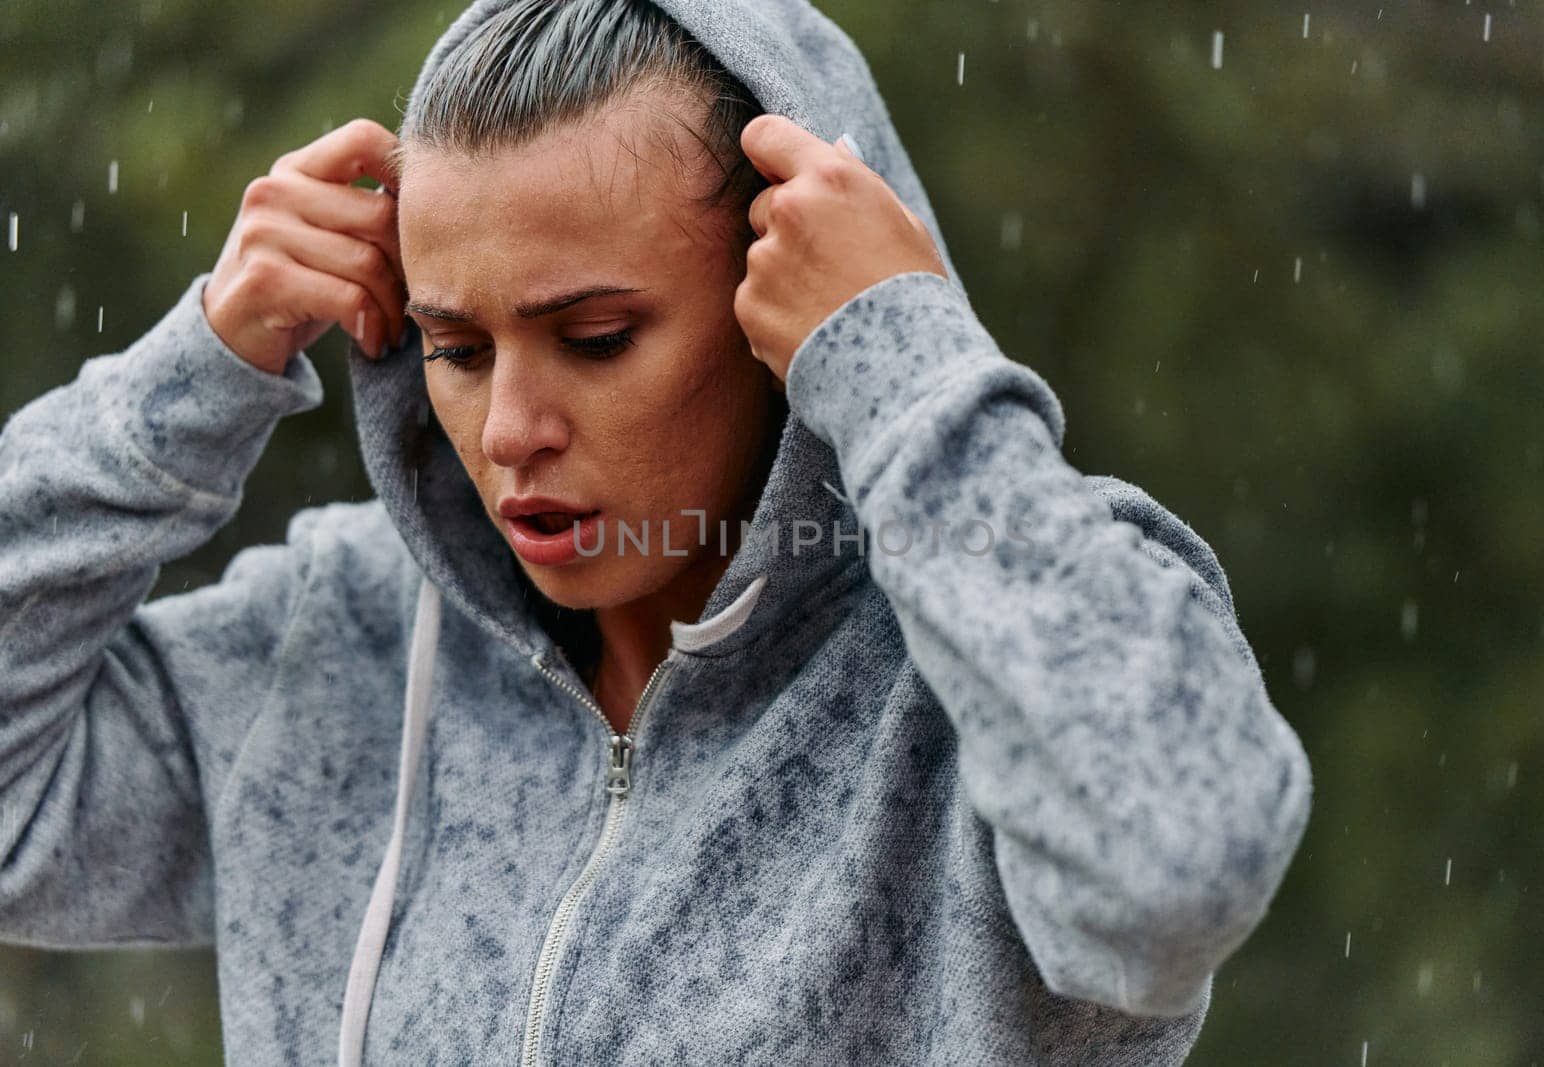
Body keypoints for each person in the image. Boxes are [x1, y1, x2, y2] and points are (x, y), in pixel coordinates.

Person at [0, 0, 1314, 1063]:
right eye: (456, 348)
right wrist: (189, 379)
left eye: (595, 339)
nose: (512, 427)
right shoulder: (333, 643)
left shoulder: (1007, 648)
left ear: (787, 309)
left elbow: (1177, 874)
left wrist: (904, 358)